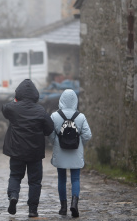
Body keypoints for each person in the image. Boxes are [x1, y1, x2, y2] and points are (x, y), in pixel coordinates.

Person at [2, 79, 54, 218]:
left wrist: (15, 101)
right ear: (35, 95)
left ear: (18, 93)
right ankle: (32, 210)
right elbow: (49, 129)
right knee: (35, 181)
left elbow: (4, 109)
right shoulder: (40, 110)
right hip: (35, 153)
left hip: (16, 151)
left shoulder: (12, 108)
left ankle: (13, 196)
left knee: (15, 176)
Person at [48, 89, 92, 218]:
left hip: (60, 152)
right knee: (75, 178)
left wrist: (55, 143)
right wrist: (80, 144)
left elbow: (50, 134)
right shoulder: (81, 117)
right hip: (75, 152)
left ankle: (63, 207)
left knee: (61, 179)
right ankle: (74, 204)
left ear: (61, 99)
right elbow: (87, 135)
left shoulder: (54, 116)